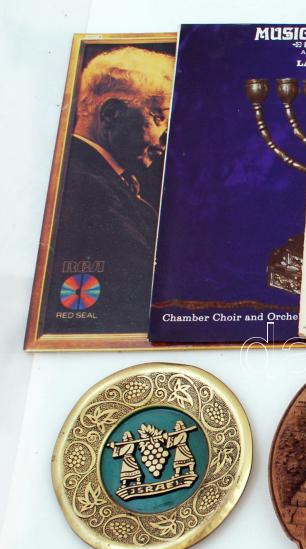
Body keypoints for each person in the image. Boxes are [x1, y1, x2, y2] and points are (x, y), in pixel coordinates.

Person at [46, 46, 175, 333]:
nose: (165, 138)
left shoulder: (98, 178)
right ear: (112, 113)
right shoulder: (88, 190)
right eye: (158, 118)